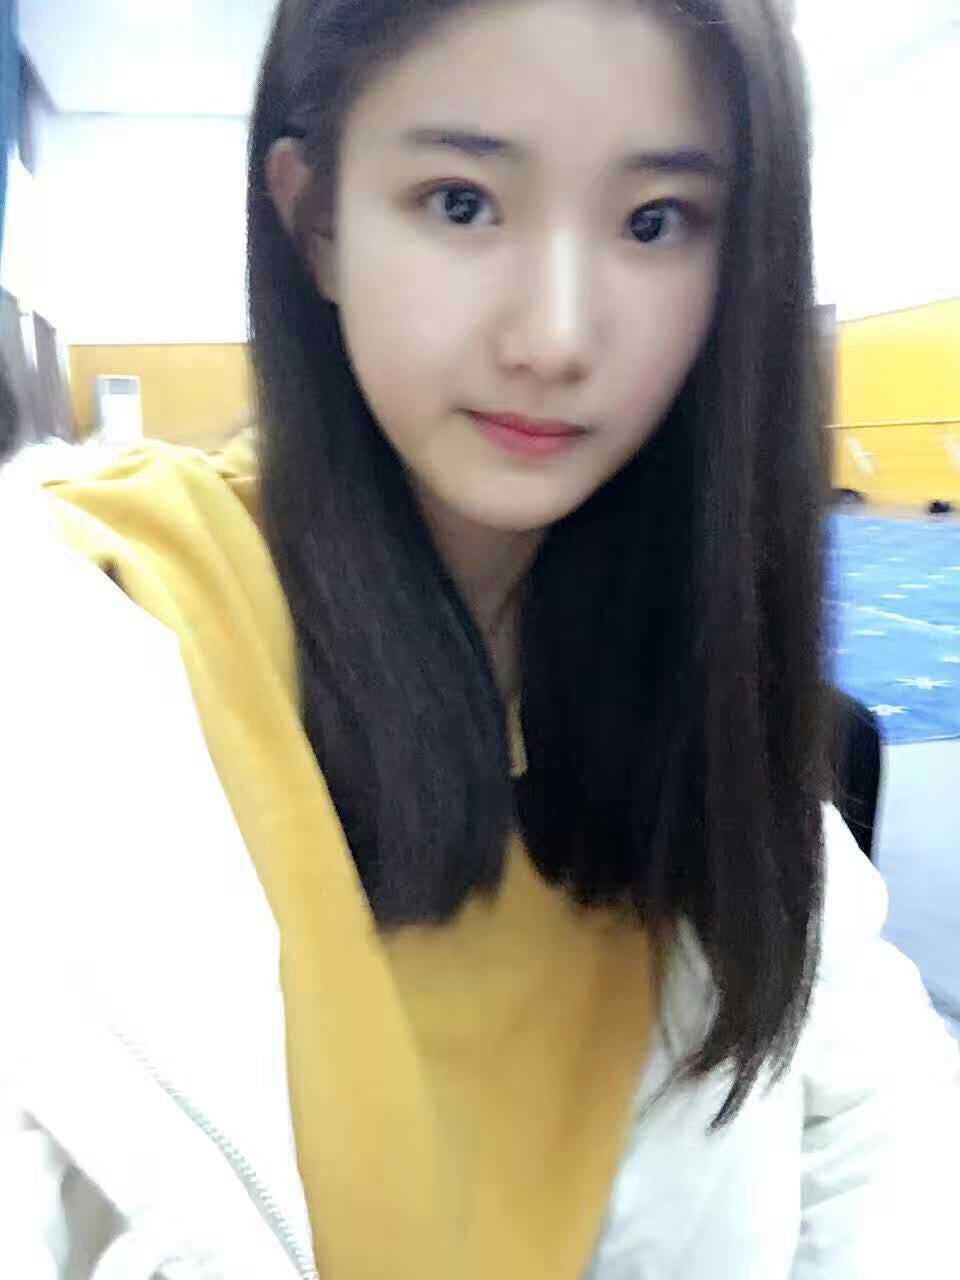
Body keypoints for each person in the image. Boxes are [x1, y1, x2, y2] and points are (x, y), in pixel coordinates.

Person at [0, 1, 957, 1277]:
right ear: (316, 221)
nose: (553, 338)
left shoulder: (692, 677)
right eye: (461, 203)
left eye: (654, 221)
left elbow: (876, 1115)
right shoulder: (78, 644)